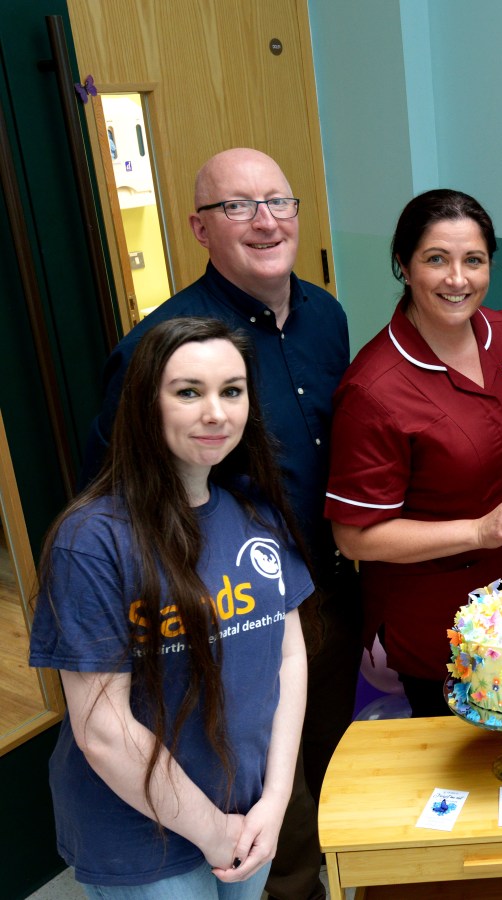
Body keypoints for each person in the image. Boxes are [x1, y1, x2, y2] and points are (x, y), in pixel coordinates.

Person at [83, 148, 356, 900]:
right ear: (200, 228)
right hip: (229, 612)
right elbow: (112, 497)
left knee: (328, 762)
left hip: (326, 589)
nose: (266, 222)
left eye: (278, 202)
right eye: (238, 206)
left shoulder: (326, 316)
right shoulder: (161, 349)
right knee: (271, 795)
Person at [30, 317, 312, 897]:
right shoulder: (93, 539)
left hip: (248, 814)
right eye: (188, 392)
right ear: (145, 404)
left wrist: (276, 798)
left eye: (231, 391)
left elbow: (288, 657)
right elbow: (102, 729)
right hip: (141, 835)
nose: (216, 412)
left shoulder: (257, 513)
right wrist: (212, 831)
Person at [324, 189, 502, 717]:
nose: (457, 279)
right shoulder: (373, 389)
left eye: (473, 260)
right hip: (439, 622)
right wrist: (479, 530)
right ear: (403, 266)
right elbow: (353, 536)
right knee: (462, 756)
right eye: (435, 260)